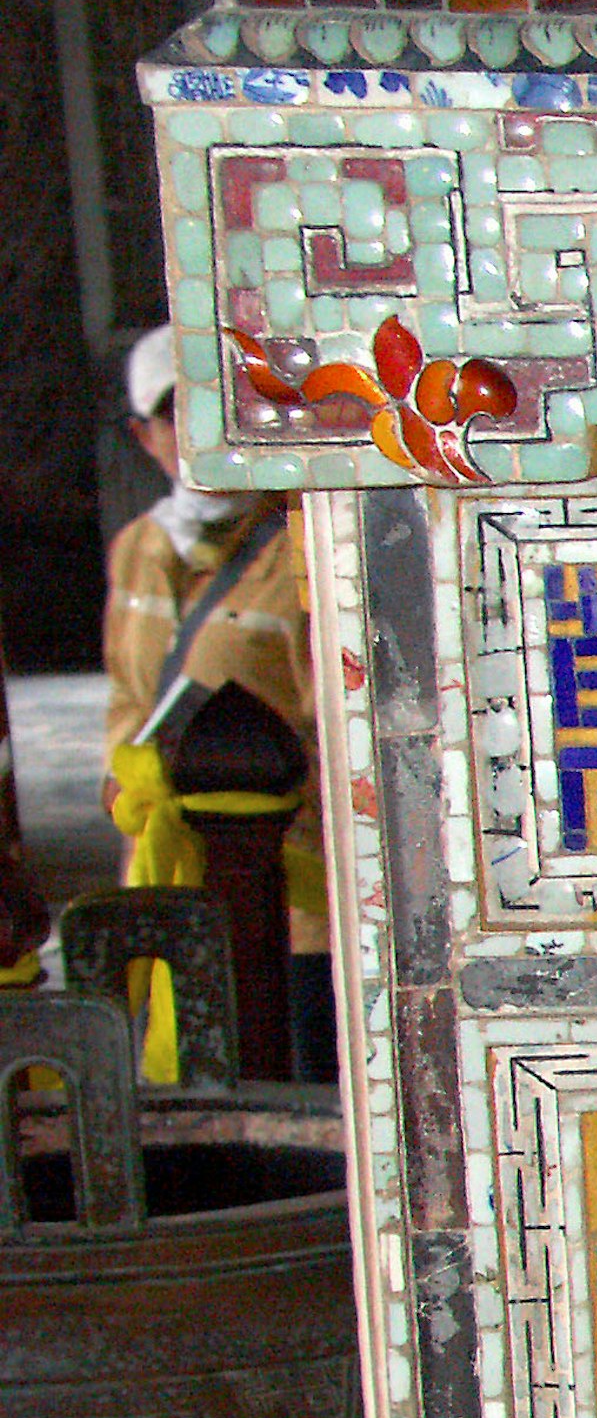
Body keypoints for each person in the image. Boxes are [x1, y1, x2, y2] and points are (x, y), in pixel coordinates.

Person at [101, 323, 328, 1080]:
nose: (196, 428)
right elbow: (128, 702)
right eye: (174, 413)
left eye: (215, 402)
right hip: (173, 887)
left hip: (291, 901)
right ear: (145, 435)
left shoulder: (305, 541)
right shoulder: (138, 546)